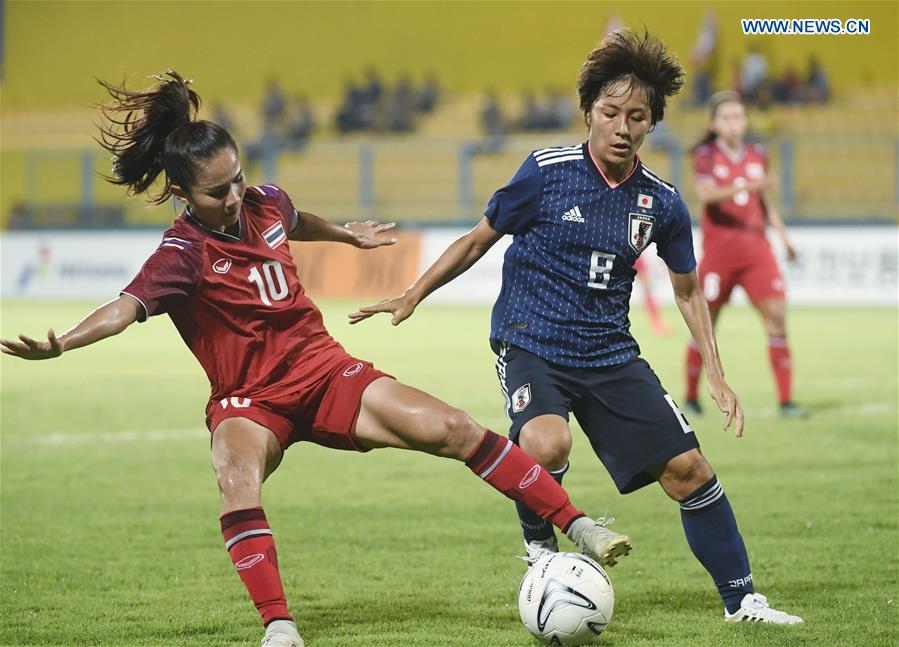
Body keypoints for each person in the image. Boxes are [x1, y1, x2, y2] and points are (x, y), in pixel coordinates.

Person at [0, 71, 631, 647]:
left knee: (457, 429)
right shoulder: (182, 253)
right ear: (183, 194)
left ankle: (578, 527)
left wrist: (346, 234)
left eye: (239, 178)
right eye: (218, 191)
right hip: (250, 401)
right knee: (235, 482)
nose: (235, 195)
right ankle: (279, 628)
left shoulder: (263, 202)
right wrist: (64, 343)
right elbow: (123, 308)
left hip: (326, 373)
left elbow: (295, 217)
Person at [351, 31, 803, 625]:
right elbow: (477, 239)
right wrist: (414, 293)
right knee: (546, 441)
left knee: (690, 471)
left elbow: (688, 288)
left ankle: (742, 601)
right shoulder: (546, 172)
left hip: (610, 352)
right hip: (530, 338)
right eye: (610, 112)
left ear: (651, 125)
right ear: (588, 111)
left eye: (636, 117)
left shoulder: (661, 203)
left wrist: (715, 373)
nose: (621, 126)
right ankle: (541, 553)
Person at [684, 90, 806, 418]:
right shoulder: (706, 155)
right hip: (720, 253)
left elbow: (764, 202)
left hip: (757, 252)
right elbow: (706, 195)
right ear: (713, 123)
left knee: (777, 318)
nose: (734, 123)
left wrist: (784, 237)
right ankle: (691, 397)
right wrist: (746, 186)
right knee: (705, 325)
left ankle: (786, 400)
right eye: (726, 117)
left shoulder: (757, 153)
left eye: (739, 116)